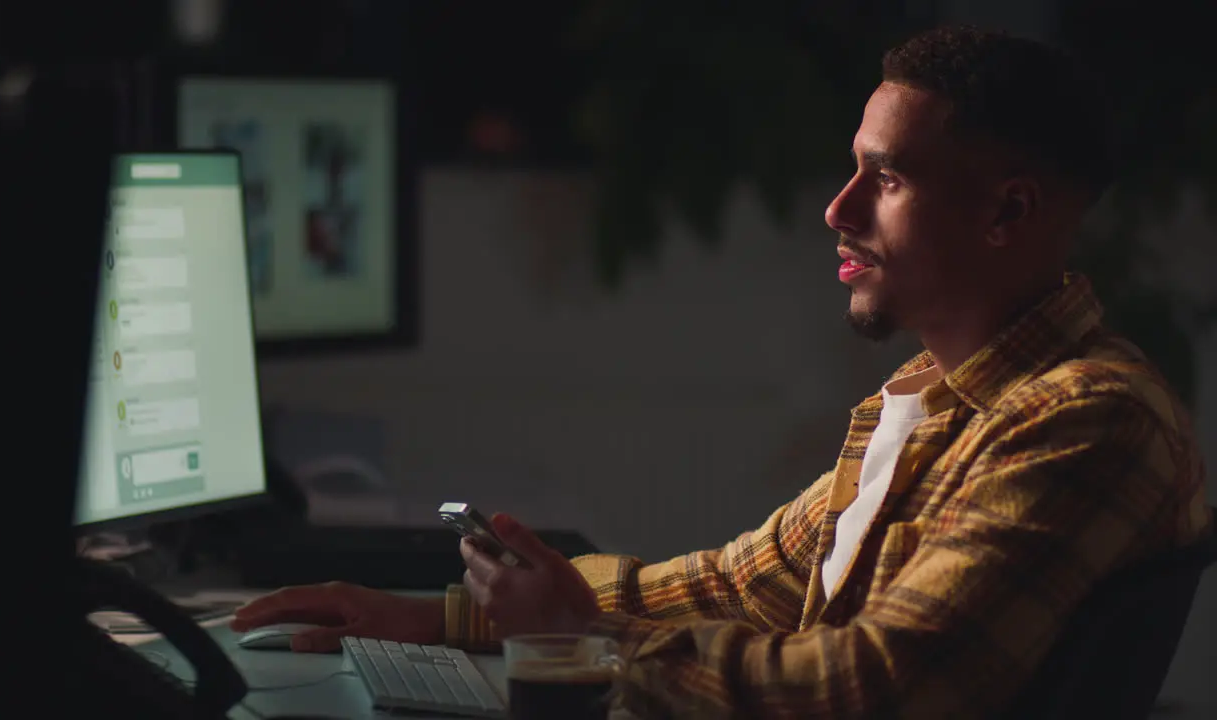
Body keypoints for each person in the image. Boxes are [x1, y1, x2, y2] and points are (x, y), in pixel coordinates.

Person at [230, 26, 1211, 718]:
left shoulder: (1085, 422)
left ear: (1005, 214)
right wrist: (428, 620)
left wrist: (583, 645)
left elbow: (874, 690)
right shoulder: (929, 400)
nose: (835, 209)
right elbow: (743, 585)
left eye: (886, 178)